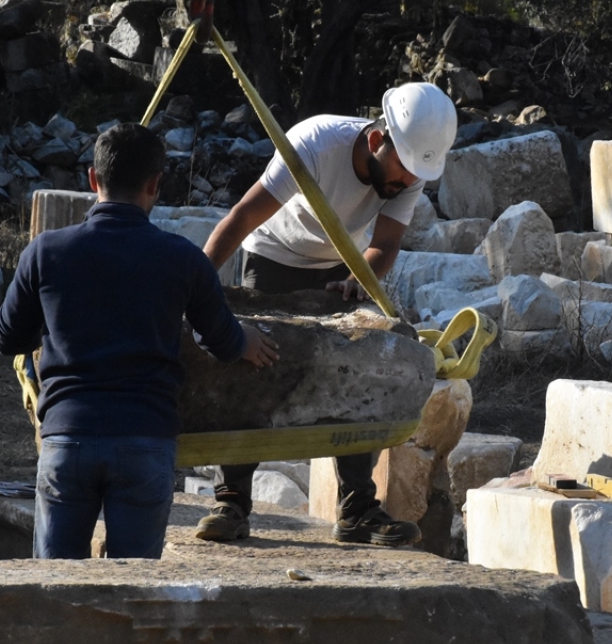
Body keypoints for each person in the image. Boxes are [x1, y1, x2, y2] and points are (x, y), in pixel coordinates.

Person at [0, 123, 279, 559]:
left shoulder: (46, 251)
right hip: (145, 439)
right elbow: (219, 340)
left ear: (93, 179)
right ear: (155, 184)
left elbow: (6, 337)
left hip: (68, 438)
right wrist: (246, 341)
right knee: (135, 590)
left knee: (54, 590)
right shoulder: (182, 257)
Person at [194, 82, 458, 547]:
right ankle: (231, 500)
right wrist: (191, 286)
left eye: (414, 175)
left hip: (343, 263)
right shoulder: (315, 145)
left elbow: (386, 244)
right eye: (401, 172)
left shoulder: (410, 169)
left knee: (357, 372)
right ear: (378, 141)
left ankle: (357, 508)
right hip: (273, 254)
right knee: (250, 367)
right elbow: (241, 218)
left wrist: (361, 279)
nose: (405, 183)